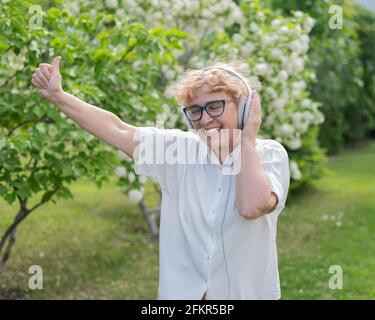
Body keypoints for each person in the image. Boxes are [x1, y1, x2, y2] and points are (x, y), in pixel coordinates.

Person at [31, 57, 290, 300]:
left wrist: (247, 139)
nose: (205, 119)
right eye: (195, 111)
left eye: (215, 106)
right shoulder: (177, 150)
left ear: (244, 108)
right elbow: (117, 129)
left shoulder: (269, 154)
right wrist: (58, 96)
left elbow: (251, 206)